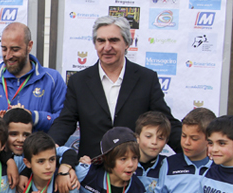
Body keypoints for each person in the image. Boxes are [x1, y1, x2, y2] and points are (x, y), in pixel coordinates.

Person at [49, 16, 182, 157]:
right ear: (95, 44)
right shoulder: (79, 81)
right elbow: (66, 121)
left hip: (132, 168)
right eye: (101, 41)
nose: (107, 47)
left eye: (114, 40)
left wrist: (193, 151)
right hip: (92, 169)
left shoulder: (147, 79)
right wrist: (49, 146)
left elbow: (166, 121)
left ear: (127, 43)